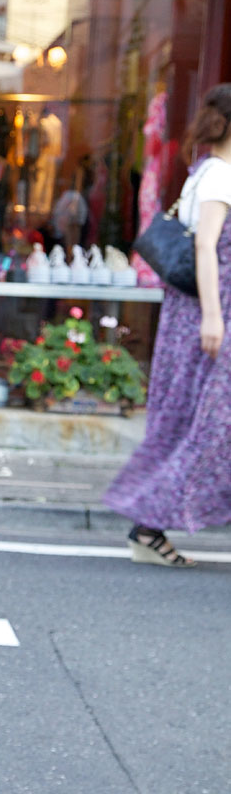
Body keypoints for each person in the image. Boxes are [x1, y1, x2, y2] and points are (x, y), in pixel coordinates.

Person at [105, 84, 231, 564]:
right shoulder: (219, 176)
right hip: (207, 314)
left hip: (195, 313)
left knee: (193, 420)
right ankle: (148, 524)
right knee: (204, 423)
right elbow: (205, 248)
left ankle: (149, 527)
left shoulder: (206, 171)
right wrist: (216, 318)